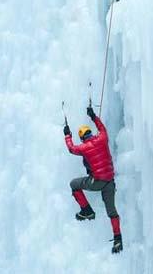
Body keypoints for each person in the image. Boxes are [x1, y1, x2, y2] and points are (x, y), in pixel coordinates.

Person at [63, 106, 123, 254]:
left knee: (74, 184)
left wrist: (67, 135)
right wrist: (93, 116)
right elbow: (101, 128)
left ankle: (87, 211)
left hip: (98, 182)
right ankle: (118, 239)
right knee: (112, 211)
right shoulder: (103, 138)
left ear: (83, 137)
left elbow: (71, 149)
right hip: (110, 182)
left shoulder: (84, 147)